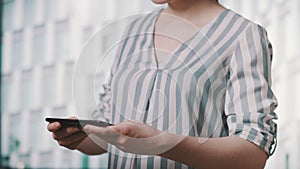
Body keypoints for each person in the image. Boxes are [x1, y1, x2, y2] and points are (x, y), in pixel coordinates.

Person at [47, 0, 278, 168]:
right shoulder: (134, 30)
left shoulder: (243, 35)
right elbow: (111, 130)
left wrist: (163, 143)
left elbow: (252, 155)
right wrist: (84, 136)